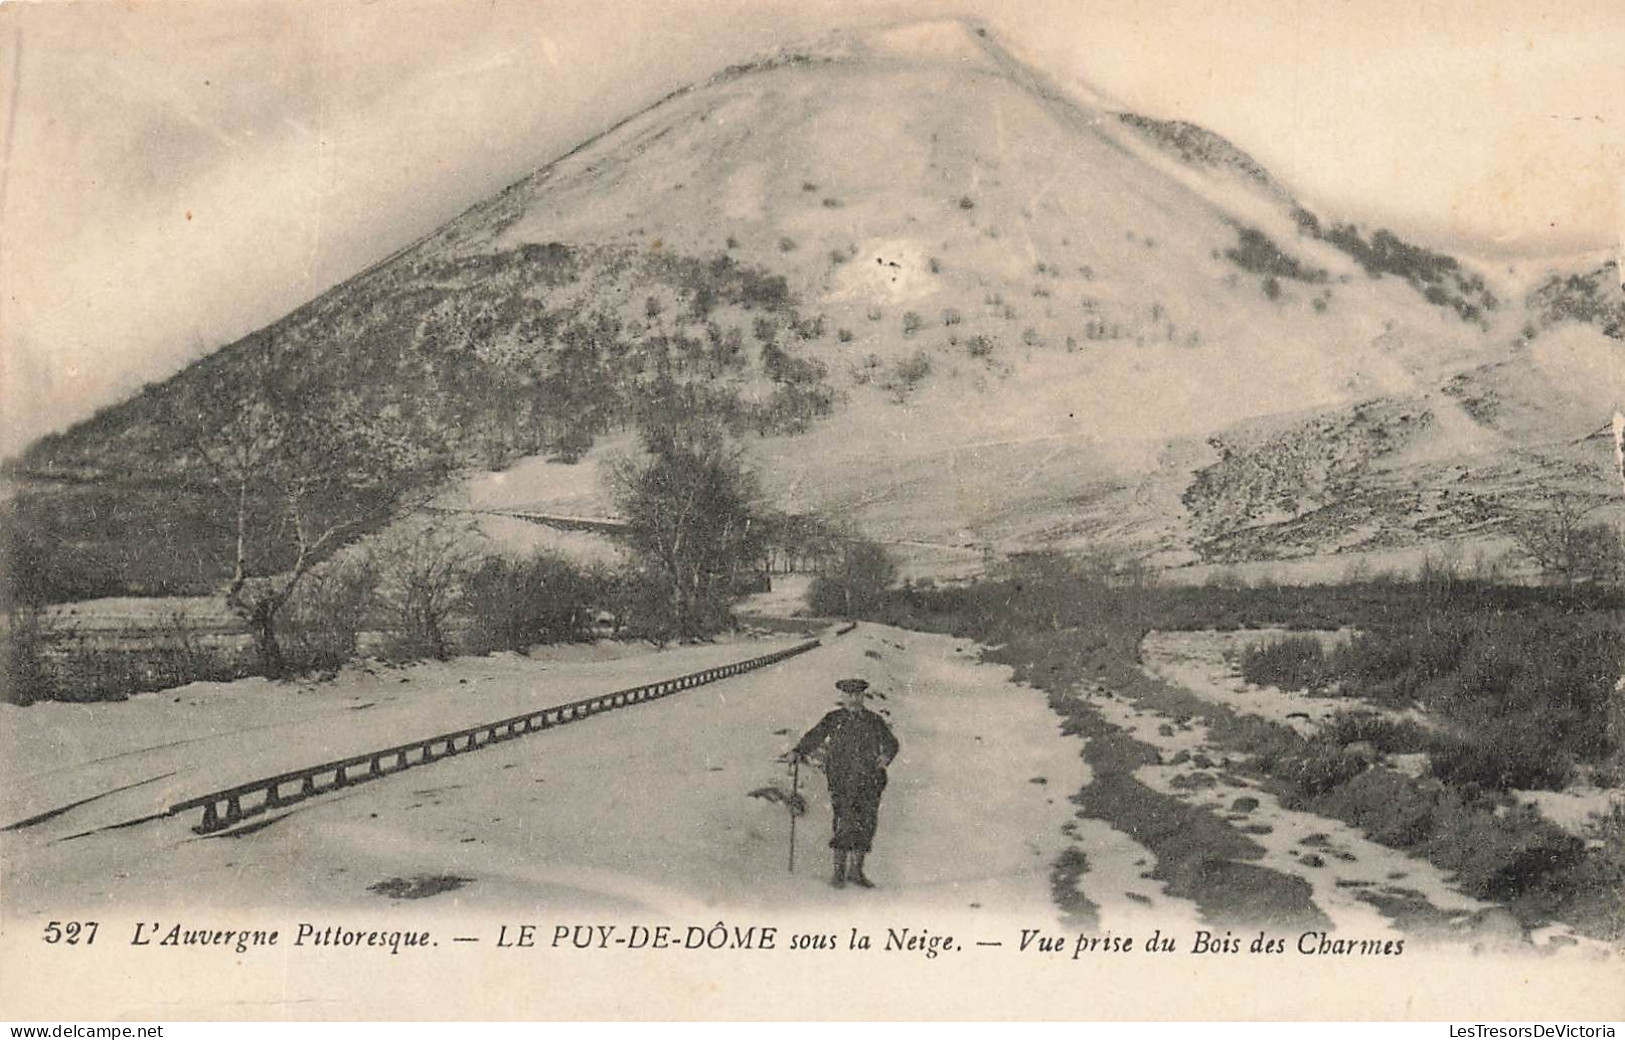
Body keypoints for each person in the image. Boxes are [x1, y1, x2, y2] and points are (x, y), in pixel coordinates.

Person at [789, 677, 899, 889]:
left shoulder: (873, 720)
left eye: (858, 695)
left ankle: (856, 871)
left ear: (863, 697)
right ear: (842, 696)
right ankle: (838, 871)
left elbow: (891, 743)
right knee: (844, 821)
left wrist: (885, 758)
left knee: (866, 823)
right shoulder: (833, 718)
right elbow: (815, 736)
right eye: (849, 695)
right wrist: (798, 750)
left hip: (870, 780)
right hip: (842, 780)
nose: (854, 699)